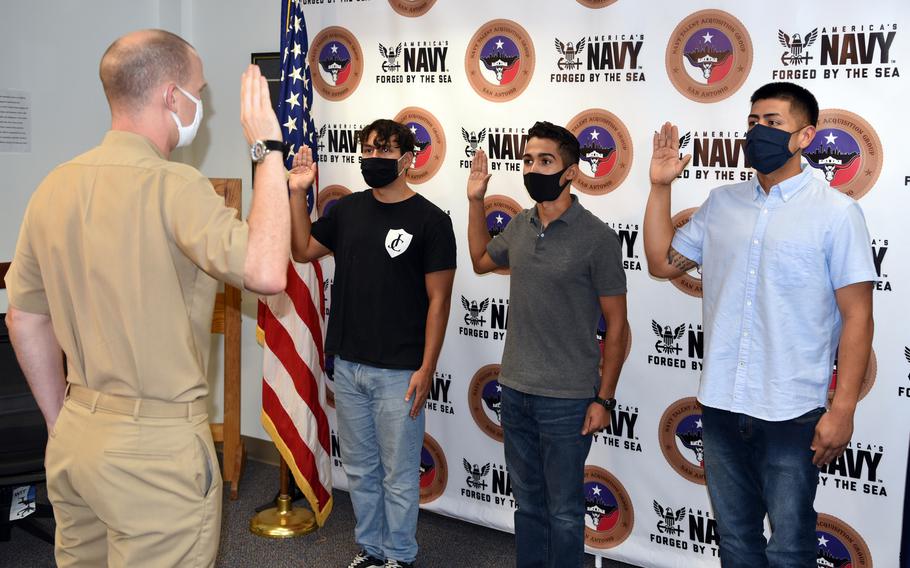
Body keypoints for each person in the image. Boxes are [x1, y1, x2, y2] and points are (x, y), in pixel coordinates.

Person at [4, 29, 291, 567]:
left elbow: (23, 317)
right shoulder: (176, 186)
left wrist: (59, 422)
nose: (200, 108)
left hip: (76, 437)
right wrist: (267, 148)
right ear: (169, 96)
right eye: (199, 93)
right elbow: (267, 269)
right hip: (155, 455)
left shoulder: (53, 187)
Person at [643, 82, 875, 566]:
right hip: (722, 404)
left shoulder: (836, 214)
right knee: (736, 542)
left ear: (805, 136)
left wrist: (843, 409)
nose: (758, 132)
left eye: (773, 123)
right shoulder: (723, 202)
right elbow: (663, 264)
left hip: (791, 411)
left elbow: (858, 317)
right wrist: (661, 187)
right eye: (752, 123)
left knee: (790, 549)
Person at [288, 119, 456, 568]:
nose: (373, 158)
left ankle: (400, 556)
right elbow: (303, 249)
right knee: (360, 469)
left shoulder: (432, 221)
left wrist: (427, 367)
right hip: (348, 364)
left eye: (384, 151)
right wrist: (296, 193)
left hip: (400, 371)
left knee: (399, 474)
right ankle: (372, 550)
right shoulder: (347, 210)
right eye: (367, 149)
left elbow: (439, 301)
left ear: (408, 159)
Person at [465, 121, 629, 568]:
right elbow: (481, 261)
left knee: (564, 511)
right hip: (515, 390)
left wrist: (605, 398)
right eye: (527, 160)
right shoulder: (520, 224)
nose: (533, 168)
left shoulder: (597, 237)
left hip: (568, 399)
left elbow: (618, 327)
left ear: (571, 172)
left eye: (545, 161)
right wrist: (476, 201)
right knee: (530, 507)